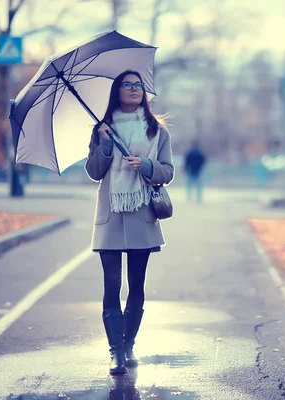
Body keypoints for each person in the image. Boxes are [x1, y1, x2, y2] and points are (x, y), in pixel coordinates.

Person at [84, 70, 174, 375]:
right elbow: (95, 172)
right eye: (128, 85)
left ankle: (129, 342)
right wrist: (104, 144)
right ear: (117, 91)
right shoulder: (102, 129)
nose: (135, 89)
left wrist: (147, 165)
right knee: (112, 283)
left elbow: (168, 171)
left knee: (137, 284)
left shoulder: (157, 131)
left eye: (139, 86)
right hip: (110, 212)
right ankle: (117, 353)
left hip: (142, 213)